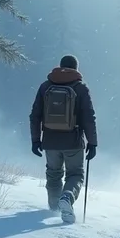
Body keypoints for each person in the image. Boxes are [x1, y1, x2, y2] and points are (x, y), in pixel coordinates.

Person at [29, 55, 98, 223]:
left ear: (60, 66)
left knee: (53, 175)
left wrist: (35, 140)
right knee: (75, 174)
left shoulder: (45, 86)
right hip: (73, 141)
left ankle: (54, 208)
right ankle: (67, 198)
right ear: (76, 68)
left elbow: (35, 115)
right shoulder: (80, 88)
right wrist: (93, 142)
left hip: (50, 141)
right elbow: (89, 117)